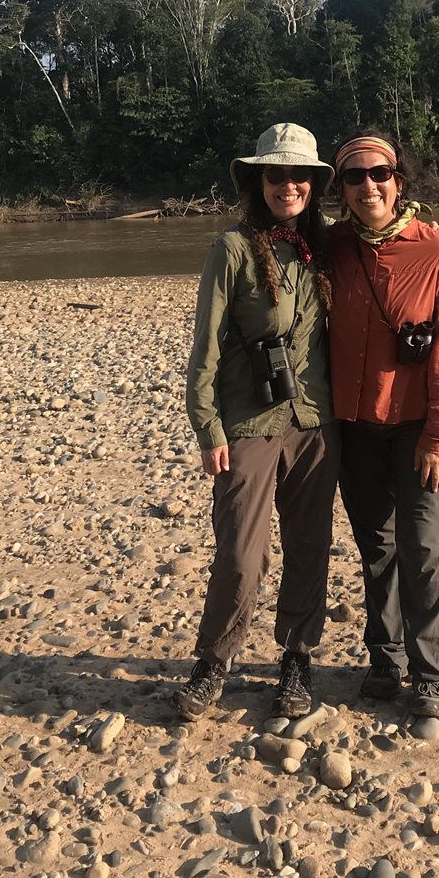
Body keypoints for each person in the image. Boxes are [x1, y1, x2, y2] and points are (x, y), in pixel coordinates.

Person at [177, 123, 339, 721]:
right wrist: (207, 427)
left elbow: (395, 247)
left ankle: (297, 658)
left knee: (308, 546)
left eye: (299, 175)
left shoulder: (327, 246)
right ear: (259, 181)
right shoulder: (233, 248)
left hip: (317, 422)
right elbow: (207, 346)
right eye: (278, 175)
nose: (289, 185)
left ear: (313, 184)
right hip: (248, 422)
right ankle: (213, 661)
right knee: (241, 554)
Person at [326, 132, 439, 719]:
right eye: (355, 178)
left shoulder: (437, 252)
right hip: (355, 426)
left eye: (379, 174)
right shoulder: (330, 246)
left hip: (418, 427)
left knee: (424, 547)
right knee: (376, 549)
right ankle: (385, 661)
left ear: (399, 180)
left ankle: (432, 670)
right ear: (340, 189)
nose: (369, 187)